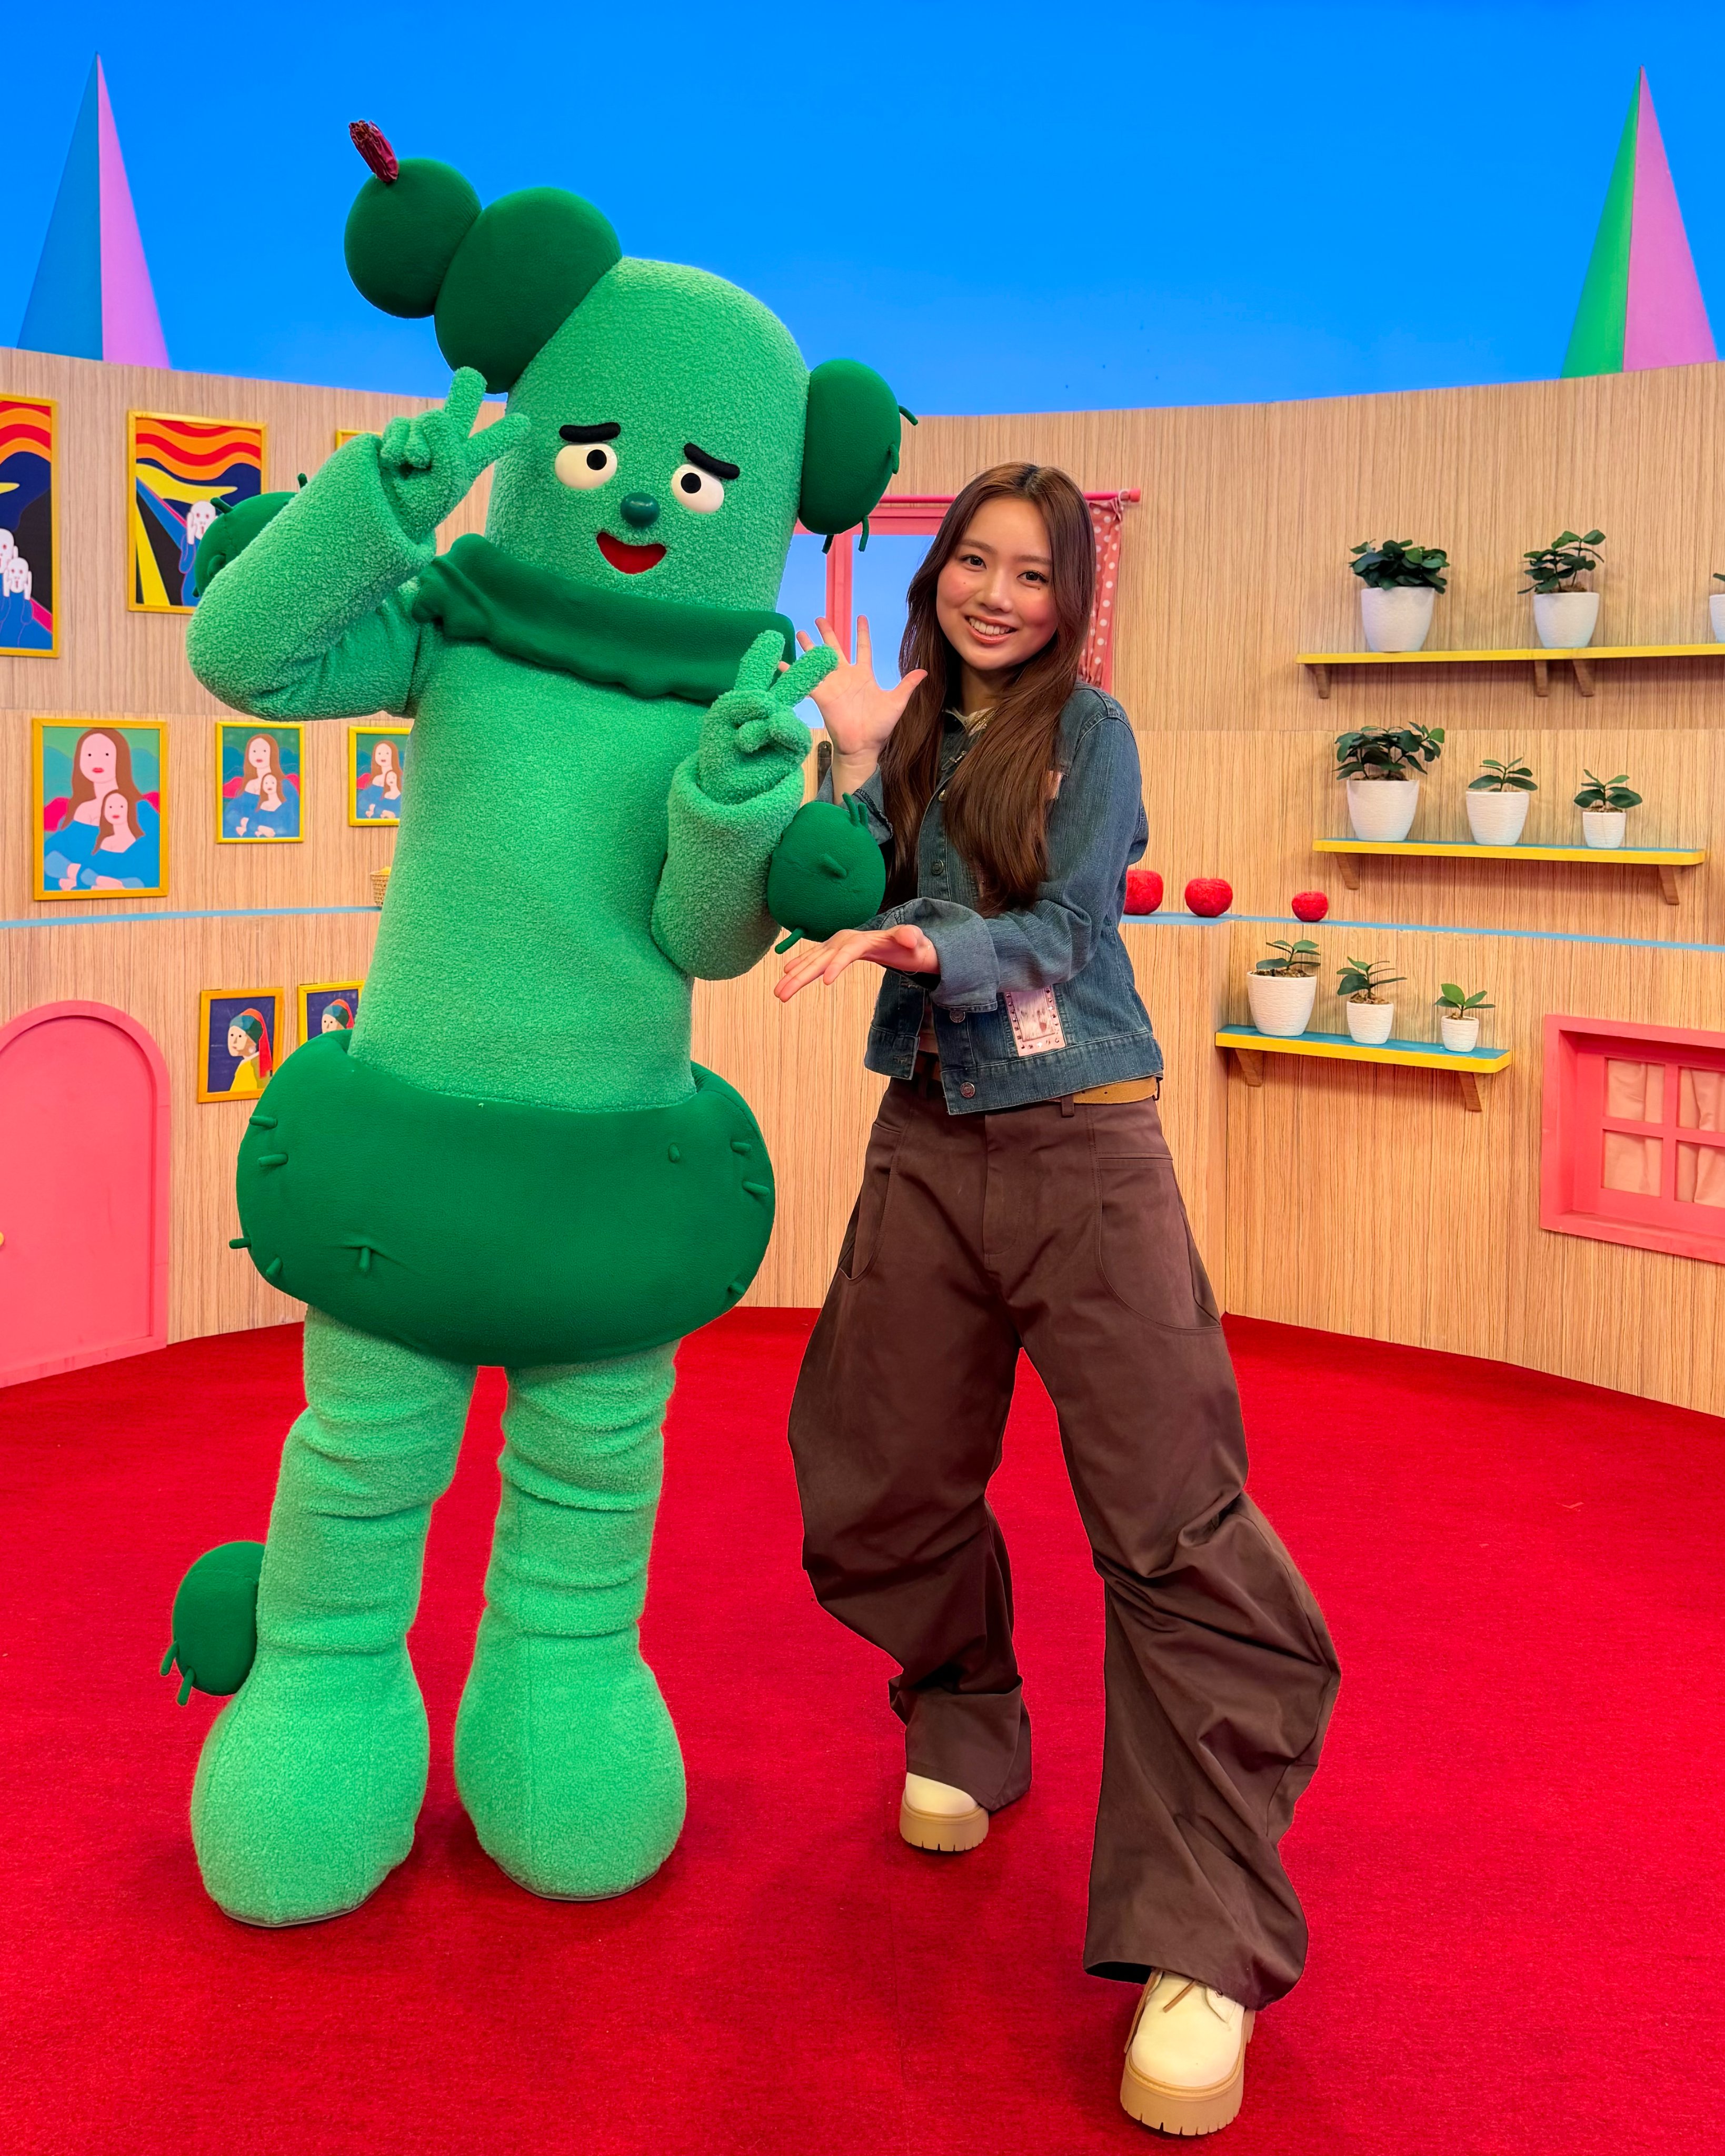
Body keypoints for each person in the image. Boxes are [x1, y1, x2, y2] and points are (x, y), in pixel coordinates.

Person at [776, 463, 1340, 2138]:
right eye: (976, 562)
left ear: (1072, 600)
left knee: (1174, 1527)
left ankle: (1204, 1932)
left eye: (1035, 573)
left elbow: (1067, 925)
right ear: (933, 573)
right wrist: (849, 762)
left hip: (1086, 1145)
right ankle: (969, 1711)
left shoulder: (1092, 737)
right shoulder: (896, 728)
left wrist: (926, 949)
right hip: (927, 1141)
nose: (999, 595)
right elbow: (822, 887)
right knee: (869, 1474)